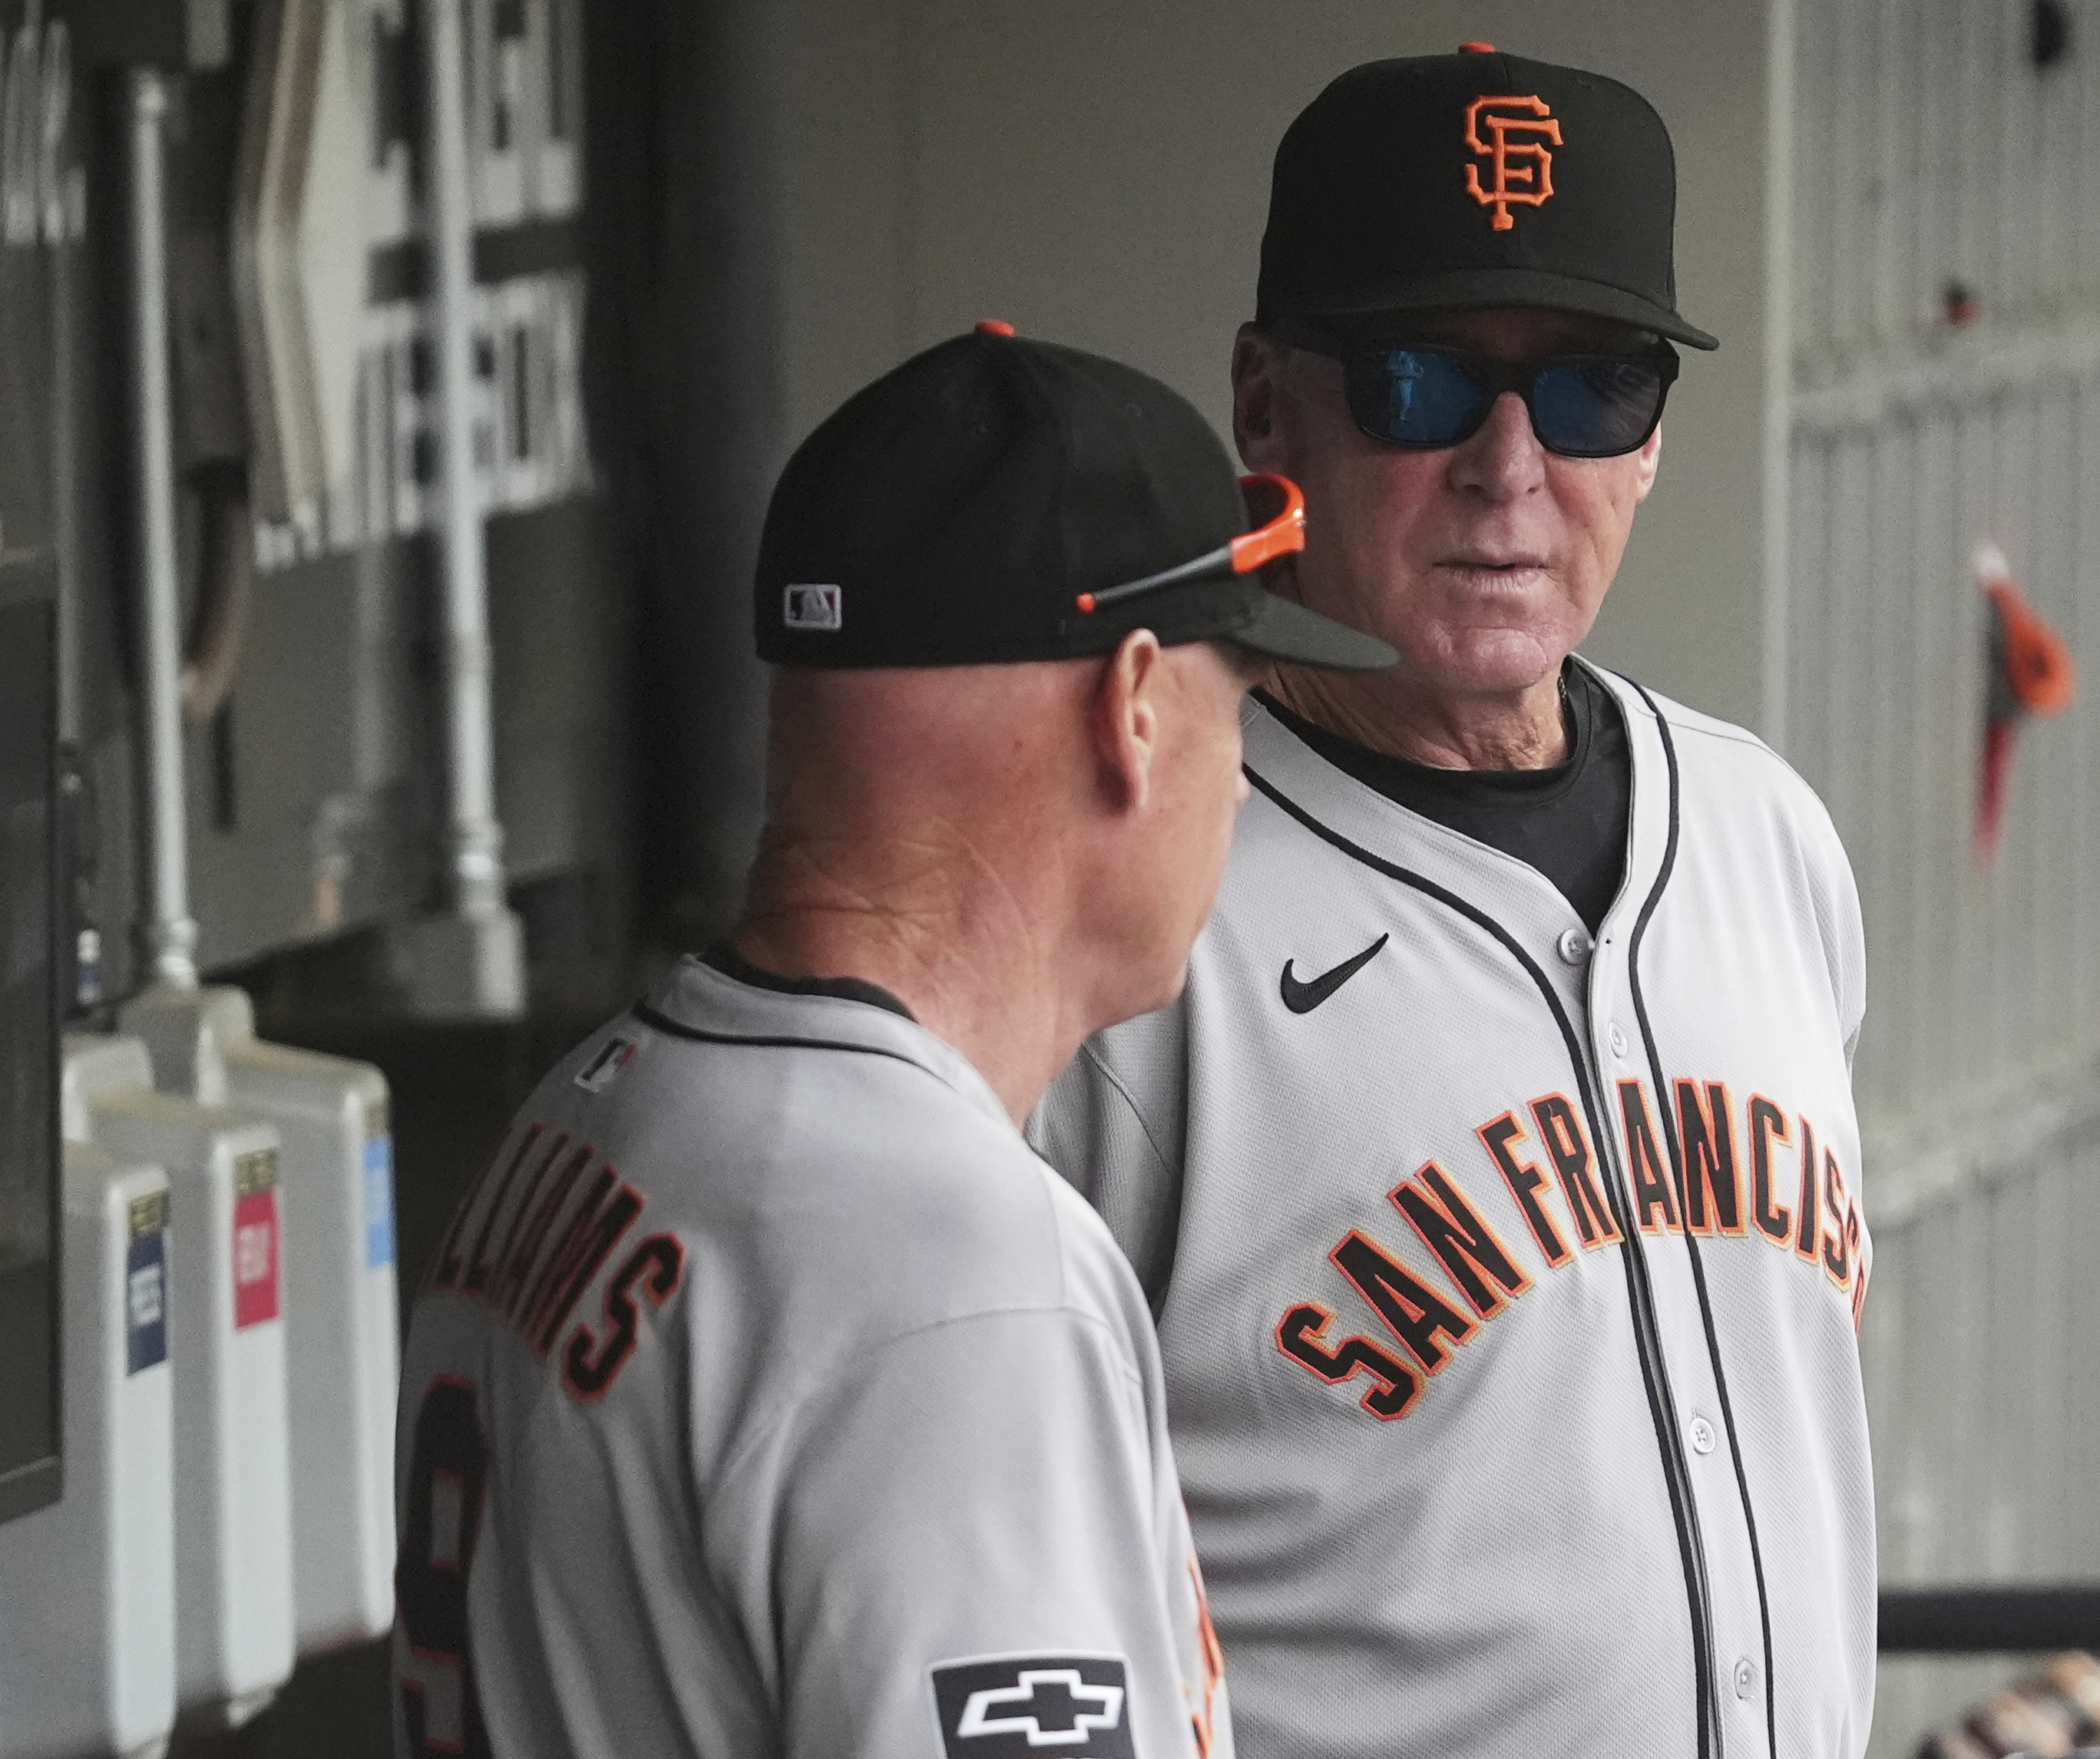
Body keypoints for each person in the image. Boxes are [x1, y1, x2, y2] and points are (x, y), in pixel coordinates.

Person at [1030, 46, 1874, 1759]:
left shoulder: (1764, 834)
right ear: (1267, 407)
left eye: (1591, 390)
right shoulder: (1129, 926)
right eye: (1422, 382)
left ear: (1652, 438)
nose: (1510, 467)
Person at [391, 322, 1394, 1759]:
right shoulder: (950, 1273)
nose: (1240, 784)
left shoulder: (583, 1122)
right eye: (1235, 699)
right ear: (1132, 711)